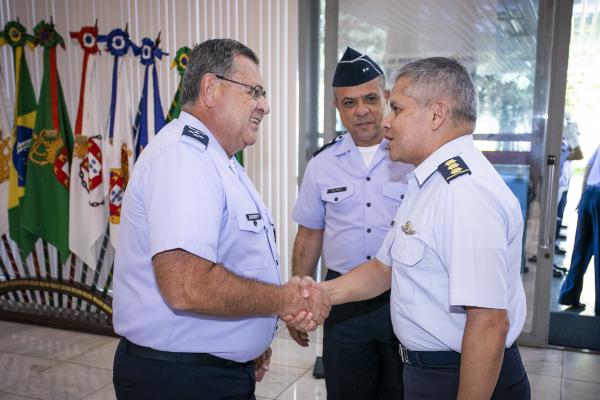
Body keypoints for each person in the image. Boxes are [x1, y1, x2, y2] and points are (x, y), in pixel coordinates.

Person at [111, 39, 330, 400]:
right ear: (210, 89)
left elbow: (231, 260)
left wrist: (247, 343)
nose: (266, 105)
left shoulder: (218, 160)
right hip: (179, 380)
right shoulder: (184, 159)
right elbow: (187, 286)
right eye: (254, 91)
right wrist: (282, 300)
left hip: (208, 371)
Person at [316, 57, 530, 399]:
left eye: (397, 109)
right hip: (429, 373)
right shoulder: (427, 184)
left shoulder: (464, 193)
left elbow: (488, 323)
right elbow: (383, 269)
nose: (386, 123)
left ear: (436, 114)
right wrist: (319, 295)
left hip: (463, 377)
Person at [290, 47, 411, 400]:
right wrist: (300, 300)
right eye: (349, 103)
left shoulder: (412, 158)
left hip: (401, 299)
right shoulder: (322, 165)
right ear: (337, 107)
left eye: (370, 98)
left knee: (401, 391)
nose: (361, 111)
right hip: (343, 303)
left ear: (387, 97)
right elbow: (309, 235)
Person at [558, 144, 600, 312]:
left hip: (589, 194)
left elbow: (588, 168)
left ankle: (569, 295)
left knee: (580, 249)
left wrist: (583, 197)